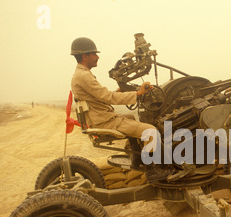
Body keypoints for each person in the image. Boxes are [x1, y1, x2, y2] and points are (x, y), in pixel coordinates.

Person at [70, 37, 171, 180]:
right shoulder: (83, 76)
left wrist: (121, 91)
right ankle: (153, 171)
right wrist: (138, 94)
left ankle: (137, 160)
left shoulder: (81, 74)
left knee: (130, 118)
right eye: (94, 54)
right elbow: (108, 98)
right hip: (104, 121)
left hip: (99, 117)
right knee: (151, 132)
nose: (97, 57)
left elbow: (100, 97)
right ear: (85, 56)